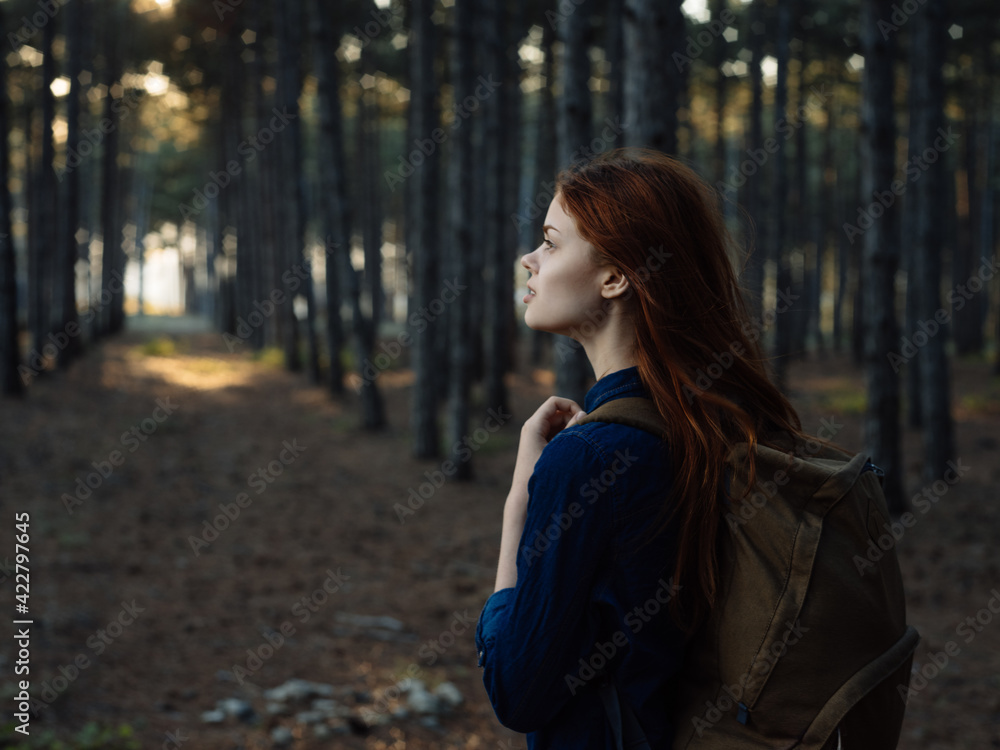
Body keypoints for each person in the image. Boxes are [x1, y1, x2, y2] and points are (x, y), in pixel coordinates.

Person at [475, 148, 813, 748]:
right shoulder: (712, 422)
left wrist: (517, 510)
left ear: (615, 277)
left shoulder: (591, 458)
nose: (528, 258)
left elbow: (518, 692)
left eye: (551, 243)